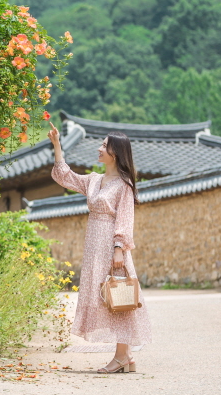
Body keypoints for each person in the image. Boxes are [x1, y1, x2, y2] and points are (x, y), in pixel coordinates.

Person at [47, 122, 152, 373]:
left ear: (115, 152)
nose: (99, 148)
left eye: (104, 145)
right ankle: (126, 358)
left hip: (112, 245)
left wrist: (118, 248)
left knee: (121, 296)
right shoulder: (95, 180)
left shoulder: (124, 185)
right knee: (107, 297)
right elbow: (65, 177)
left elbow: (125, 219)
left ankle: (120, 357)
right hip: (94, 244)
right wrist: (57, 145)